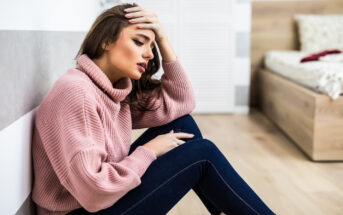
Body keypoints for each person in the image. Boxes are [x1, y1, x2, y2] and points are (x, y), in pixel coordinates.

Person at [31, 2, 276, 215]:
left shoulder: (112, 92)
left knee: (183, 125)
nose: (149, 54)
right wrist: (148, 151)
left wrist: (164, 39)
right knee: (203, 152)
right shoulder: (78, 93)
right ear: (105, 41)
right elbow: (94, 192)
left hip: (100, 202)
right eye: (139, 42)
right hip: (82, 210)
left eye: (152, 45)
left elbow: (181, 104)